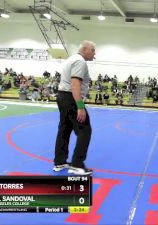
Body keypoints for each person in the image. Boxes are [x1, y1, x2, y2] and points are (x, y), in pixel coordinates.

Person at [54, 40, 96, 175]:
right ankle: (77, 164)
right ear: (84, 49)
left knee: (64, 129)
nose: (94, 53)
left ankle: (60, 162)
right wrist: (80, 106)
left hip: (62, 97)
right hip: (71, 98)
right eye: (93, 50)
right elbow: (75, 84)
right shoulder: (80, 62)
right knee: (85, 130)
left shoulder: (71, 59)